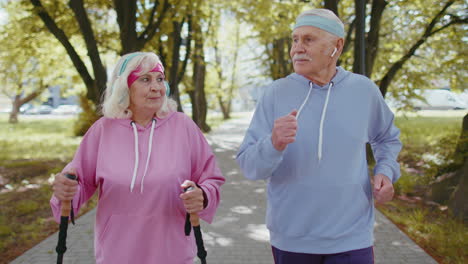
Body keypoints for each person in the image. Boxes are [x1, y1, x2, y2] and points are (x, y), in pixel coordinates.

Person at [236, 9, 402, 264]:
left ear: (337, 45)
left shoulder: (364, 91)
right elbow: (249, 166)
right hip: (291, 238)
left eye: (308, 40)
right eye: (295, 39)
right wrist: (273, 143)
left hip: (352, 237)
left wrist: (386, 172)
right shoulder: (276, 93)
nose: (297, 49)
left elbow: (386, 138)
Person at [51, 51, 225, 263]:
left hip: (173, 251)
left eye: (160, 79)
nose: (156, 87)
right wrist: (66, 191)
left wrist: (203, 195)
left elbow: (211, 179)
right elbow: (77, 185)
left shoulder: (183, 126)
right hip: (117, 252)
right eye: (145, 79)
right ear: (125, 86)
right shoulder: (103, 130)